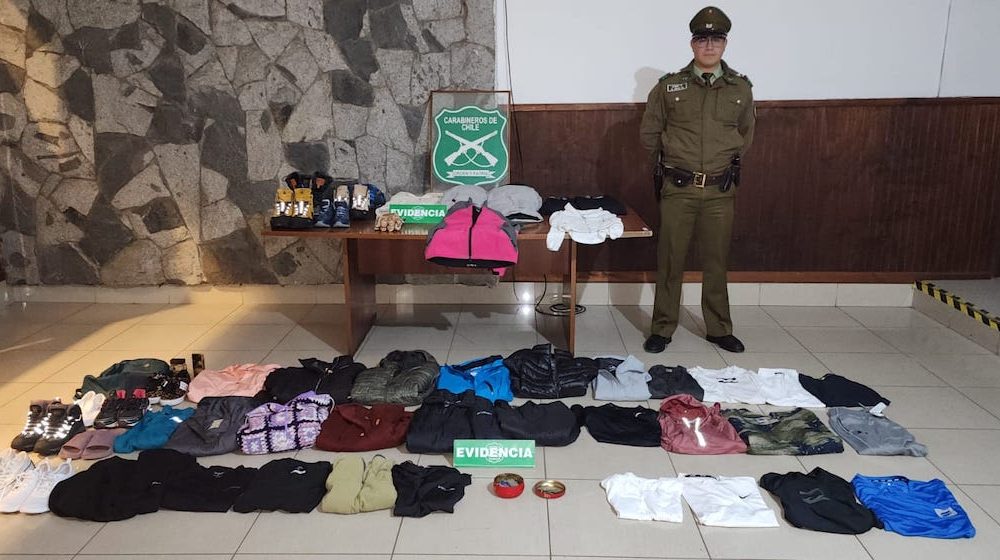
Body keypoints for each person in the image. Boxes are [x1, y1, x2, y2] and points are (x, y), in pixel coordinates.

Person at [639, 6, 755, 354]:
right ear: (692, 43)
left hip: (720, 190)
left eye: (716, 39)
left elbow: (745, 135)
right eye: (702, 39)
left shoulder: (740, 87)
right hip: (679, 189)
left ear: (725, 43)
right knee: (670, 260)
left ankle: (719, 329)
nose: (709, 45)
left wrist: (722, 164)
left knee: (716, 262)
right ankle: (662, 328)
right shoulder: (669, 87)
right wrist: (667, 167)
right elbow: (650, 134)